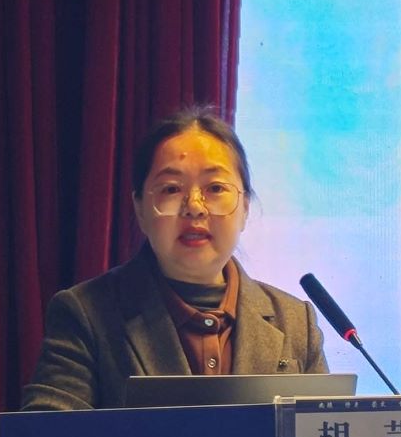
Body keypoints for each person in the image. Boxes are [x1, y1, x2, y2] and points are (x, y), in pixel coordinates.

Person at [18, 106, 326, 411]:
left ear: (245, 207)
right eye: (171, 189)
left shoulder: (295, 322)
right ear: (140, 209)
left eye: (215, 188)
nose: (194, 207)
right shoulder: (86, 314)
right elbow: (47, 435)